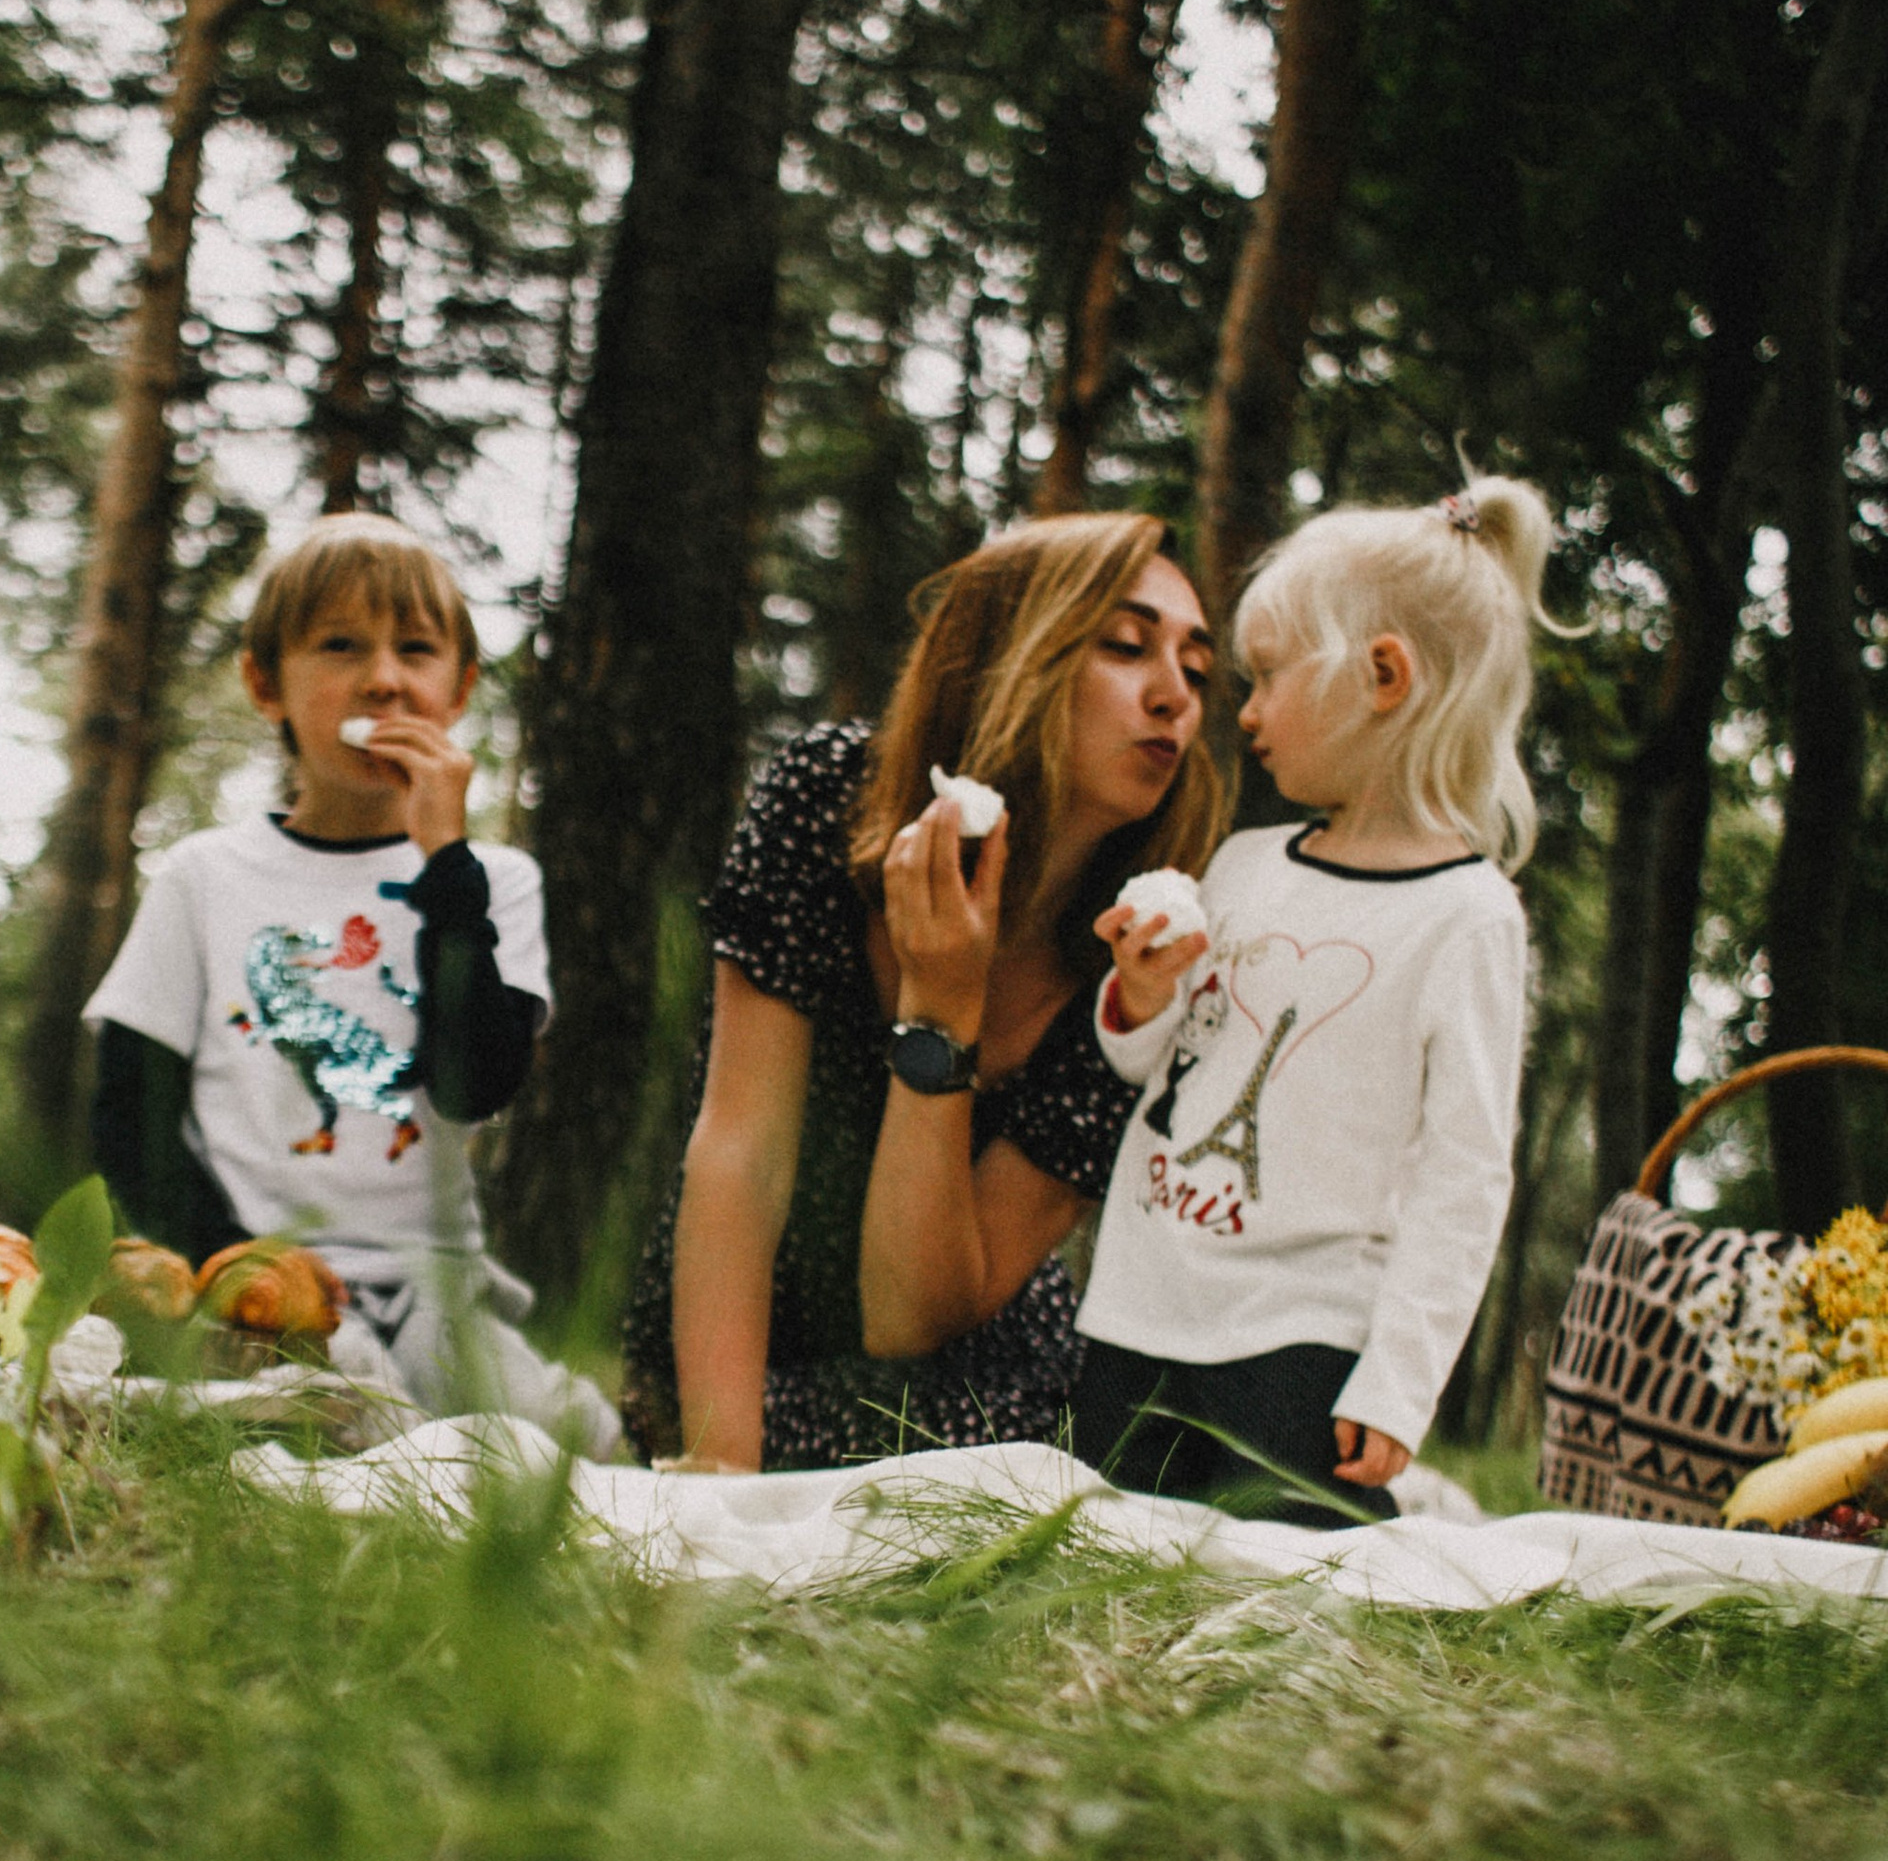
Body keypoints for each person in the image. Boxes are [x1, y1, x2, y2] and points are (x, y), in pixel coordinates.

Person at [622, 515, 1227, 1472]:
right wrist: (718, 1477)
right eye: (1123, 645)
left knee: (1043, 1460)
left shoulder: (1134, 975)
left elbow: (911, 1318)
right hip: (733, 1333)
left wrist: (941, 1015)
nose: (1174, 698)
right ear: (1005, 656)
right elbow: (742, 1155)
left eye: (1196, 669)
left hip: (970, 1377)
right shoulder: (830, 800)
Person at [1073, 476, 1556, 1525]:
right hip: (1139, 1307)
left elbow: (1463, 1180)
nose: (1239, 711)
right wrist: (1140, 995)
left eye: (1267, 678)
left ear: (1382, 675)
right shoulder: (1243, 864)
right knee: (1106, 1554)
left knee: (1298, 1577)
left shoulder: (1467, 918)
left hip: (1303, 1337)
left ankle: (1427, 1511)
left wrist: (1398, 1379)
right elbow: (1154, 1068)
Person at [86, 517, 618, 1450]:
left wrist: (445, 861)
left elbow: (474, 1083)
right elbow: (130, 1121)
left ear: (458, 689)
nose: (383, 678)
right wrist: (234, 1264)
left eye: (416, 650)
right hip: (257, 1283)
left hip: (438, 1290)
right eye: (340, 647)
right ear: (266, 685)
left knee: (560, 1446)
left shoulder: (493, 882)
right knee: (343, 1424)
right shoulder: (205, 878)